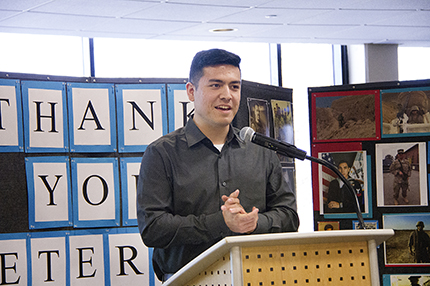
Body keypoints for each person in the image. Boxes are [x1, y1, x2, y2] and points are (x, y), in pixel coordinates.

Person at [136, 48, 299, 282]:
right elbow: (153, 228)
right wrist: (221, 223)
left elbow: (289, 216)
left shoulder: (261, 151)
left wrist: (255, 222)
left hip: (258, 275)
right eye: (215, 85)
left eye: (234, 86)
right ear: (191, 91)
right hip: (188, 279)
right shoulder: (162, 153)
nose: (227, 95)